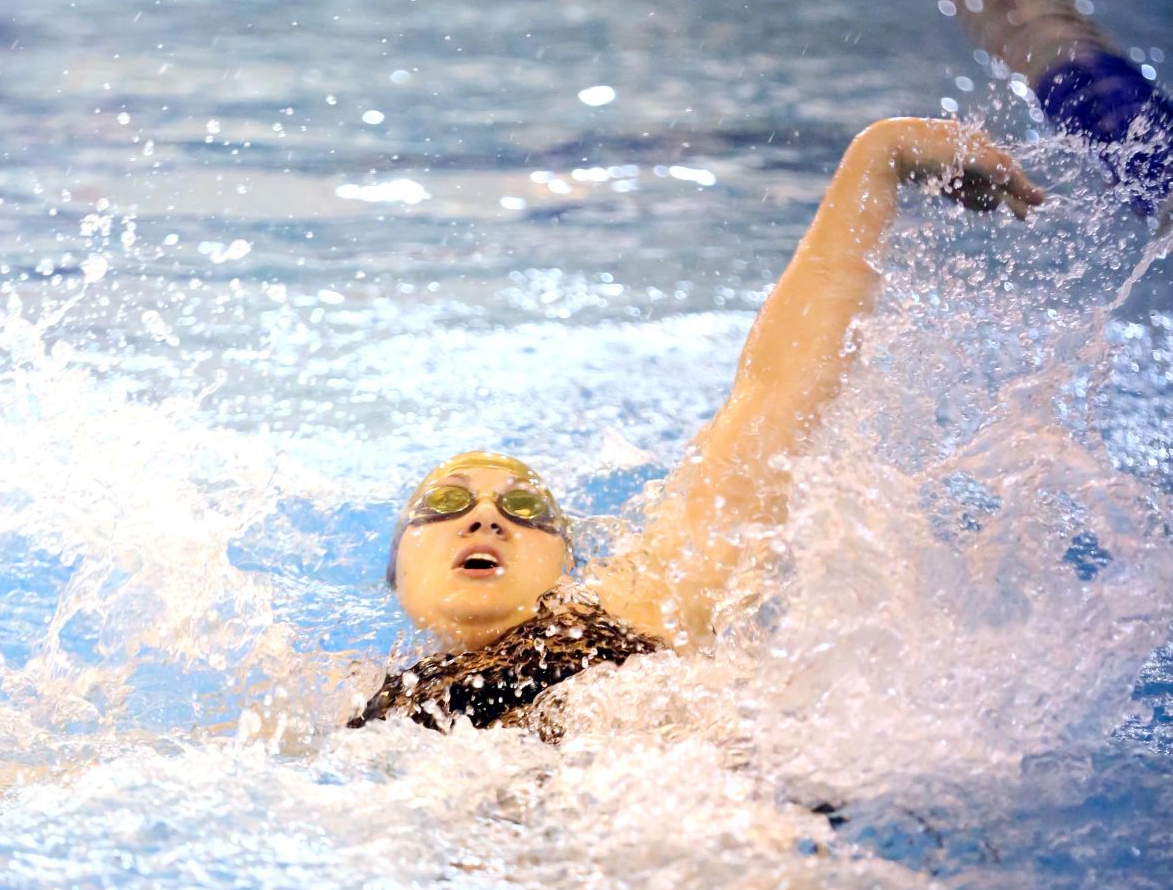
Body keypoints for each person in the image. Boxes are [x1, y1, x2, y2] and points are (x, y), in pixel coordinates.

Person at [349, 117, 1044, 739]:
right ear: (395, 570)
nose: (487, 521)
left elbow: (773, 394)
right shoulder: (344, 701)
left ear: (568, 568)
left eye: (527, 509)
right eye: (444, 504)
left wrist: (878, 157)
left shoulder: (639, 601)